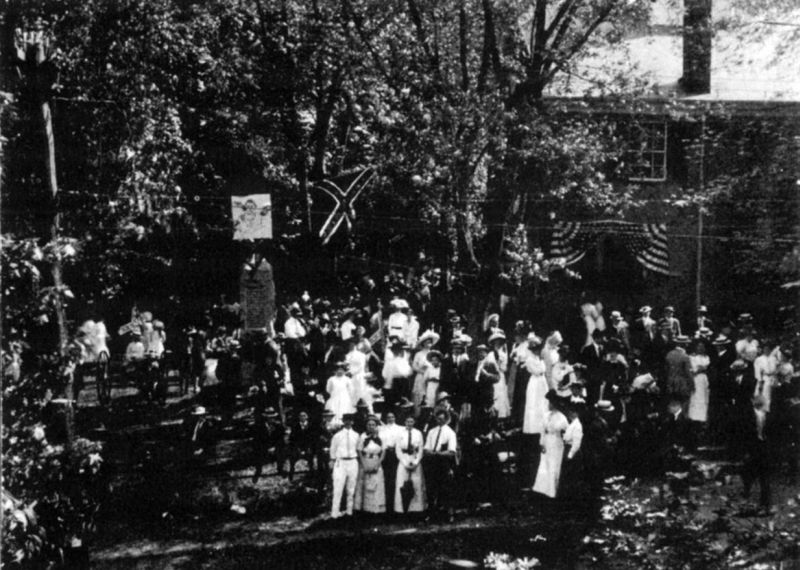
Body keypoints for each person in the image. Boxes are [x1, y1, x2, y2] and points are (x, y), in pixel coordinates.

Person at [521, 334, 548, 488]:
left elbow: (543, 369)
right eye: (536, 348)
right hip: (535, 383)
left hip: (541, 383)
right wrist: (541, 366)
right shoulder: (530, 359)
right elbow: (538, 371)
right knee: (534, 405)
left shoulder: (538, 358)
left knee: (542, 403)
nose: (538, 350)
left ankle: (541, 423)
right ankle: (533, 426)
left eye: (538, 348)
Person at [533, 390, 570, 499]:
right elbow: (542, 430)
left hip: (556, 442)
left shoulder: (562, 417)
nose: (549, 405)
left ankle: (552, 490)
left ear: (555, 404)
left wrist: (564, 439)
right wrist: (541, 443)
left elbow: (567, 432)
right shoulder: (546, 415)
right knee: (544, 464)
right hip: (547, 440)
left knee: (554, 464)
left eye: (551, 403)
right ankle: (542, 488)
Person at [423, 408, 458, 518]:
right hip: (432, 462)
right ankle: (431, 513)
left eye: (441, 419)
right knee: (431, 488)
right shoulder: (431, 431)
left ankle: (449, 514)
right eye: (437, 419)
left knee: (446, 488)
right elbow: (426, 448)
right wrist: (431, 453)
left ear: (446, 419)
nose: (439, 421)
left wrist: (438, 453)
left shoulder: (450, 433)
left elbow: (451, 452)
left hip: (444, 463)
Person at [740, 395, 772, 513]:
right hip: (757, 448)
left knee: (758, 476)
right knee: (759, 476)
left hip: (758, 449)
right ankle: (760, 502)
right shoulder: (757, 416)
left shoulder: (754, 416)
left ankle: (757, 501)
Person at [329, 413, 360, 519]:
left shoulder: (356, 435)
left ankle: (349, 512)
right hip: (340, 463)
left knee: (351, 489)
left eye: (350, 420)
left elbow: (358, 449)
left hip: (353, 462)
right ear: (343, 421)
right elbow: (332, 450)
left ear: (353, 422)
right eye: (346, 420)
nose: (348, 422)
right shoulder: (337, 436)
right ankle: (334, 513)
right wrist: (332, 461)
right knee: (338, 488)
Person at [354, 416, 386, 514]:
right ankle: (364, 509)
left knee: (376, 484)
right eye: (369, 425)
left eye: (373, 425)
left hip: (376, 461)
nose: (371, 426)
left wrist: (377, 465)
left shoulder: (381, 436)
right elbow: (359, 451)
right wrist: (364, 464)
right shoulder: (363, 436)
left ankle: (376, 509)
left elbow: (383, 452)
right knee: (364, 484)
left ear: (376, 426)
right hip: (365, 461)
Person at [394, 414, 426, 514]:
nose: (409, 424)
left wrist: (416, 462)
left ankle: (415, 510)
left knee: (416, 484)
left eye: (411, 422)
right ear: (405, 422)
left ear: (414, 422)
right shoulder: (400, 433)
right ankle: (401, 510)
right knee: (402, 483)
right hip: (403, 459)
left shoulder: (418, 433)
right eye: (407, 422)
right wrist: (405, 463)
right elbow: (398, 450)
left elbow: (421, 449)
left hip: (415, 458)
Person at [379, 410, 405, 514]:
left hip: (395, 455)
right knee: (385, 478)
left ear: (395, 418)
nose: (390, 419)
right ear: (385, 418)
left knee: (394, 479)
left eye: (392, 417)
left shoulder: (400, 428)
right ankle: (386, 506)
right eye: (388, 417)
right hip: (385, 455)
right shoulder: (381, 429)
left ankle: (395, 507)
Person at [412, 331, 439, 410]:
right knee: (420, 394)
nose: (429, 344)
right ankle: (418, 412)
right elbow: (414, 366)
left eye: (430, 342)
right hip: (421, 376)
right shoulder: (418, 354)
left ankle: (429, 412)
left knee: (430, 394)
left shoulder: (433, 354)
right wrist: (422, 371)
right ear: (423, 343)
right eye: (427, 342)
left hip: (430, 377)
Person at [288, 410, 318, 481]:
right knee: (292, 458)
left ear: (307, 417)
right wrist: (298, 449)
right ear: (299, 417)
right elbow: (292, 439)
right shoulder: (295, 426)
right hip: (298, 447)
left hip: (308, 447)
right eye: (301, 416)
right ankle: (291, 474)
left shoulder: (311, 426)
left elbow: (313, 438)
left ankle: (312, 474)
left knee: (310, 460)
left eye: (304, 415)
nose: (302, 417)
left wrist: (309, 448)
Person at [665, 336, 693, 408]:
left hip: (670, 382)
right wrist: (692, 384)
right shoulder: (685, 356)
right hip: (682, 384)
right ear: (683, 344)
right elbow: (688, 372)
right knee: (684, 404)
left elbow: (666, 369)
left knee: (673, 404)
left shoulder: (669, 354)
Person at [488, 331, 511, 418]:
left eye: (499, 342)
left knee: (500, 394)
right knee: (493, 393)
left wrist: (500, 364)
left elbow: (505, 368)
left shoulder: (503, 355)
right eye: (496, 343)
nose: (498, 345)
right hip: (492, 376)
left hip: (500, 376)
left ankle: (501, 415)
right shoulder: (490, 354)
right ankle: (492, 413)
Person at [688, 340, 711, 427]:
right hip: (696, 378)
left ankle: (703, 418)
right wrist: (700, 368)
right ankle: (695, 417)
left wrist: (702, 368)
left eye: (702, 346)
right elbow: (694, 369)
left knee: (705, 397)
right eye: (699, 346)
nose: (701, 348)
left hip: (704, 378)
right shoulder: (692, 357)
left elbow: (707, 367)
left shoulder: (706, 357)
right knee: (696, 397)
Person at [753, 340, 778, 413]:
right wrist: (760, 381)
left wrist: (775, 377)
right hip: (764, 378)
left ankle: (772, 412)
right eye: (765, 349)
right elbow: (757, 372)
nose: (767, 350)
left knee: (772, 396)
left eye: (768, 349)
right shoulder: (759, 359)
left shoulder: (774, 358)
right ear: (763, 349)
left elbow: (776, 369)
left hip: (773, 378)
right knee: (764, 395)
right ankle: (763, 412)